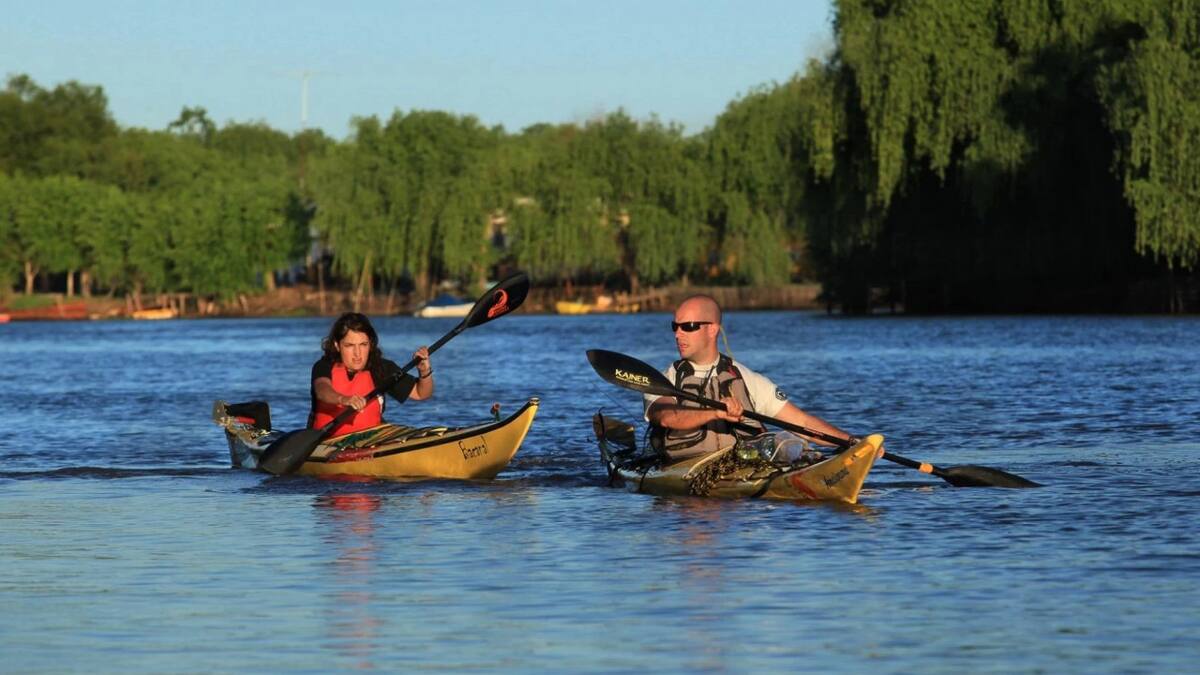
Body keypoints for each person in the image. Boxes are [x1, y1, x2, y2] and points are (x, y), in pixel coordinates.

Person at [644, 294, 856, 462]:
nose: (678, 334)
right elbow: (666, 416)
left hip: (741, 471)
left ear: (712, 329)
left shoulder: (747, 379)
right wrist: (716, 412)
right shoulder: (663, 380)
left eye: (688, 327)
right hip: (683, 472)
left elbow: (801, 422)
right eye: (675, 326)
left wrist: (853, 442)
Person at [309, 312, 434, 436]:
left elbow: (420, 393)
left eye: (363, 345)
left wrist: (424, 371)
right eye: (349, 346)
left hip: (371, 442)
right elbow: (322, 390)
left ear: (370, 343)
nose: (357, 353)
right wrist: (343, 399)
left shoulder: (382, 368)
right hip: (328, 443)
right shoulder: (323, 366)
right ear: (337, 345)